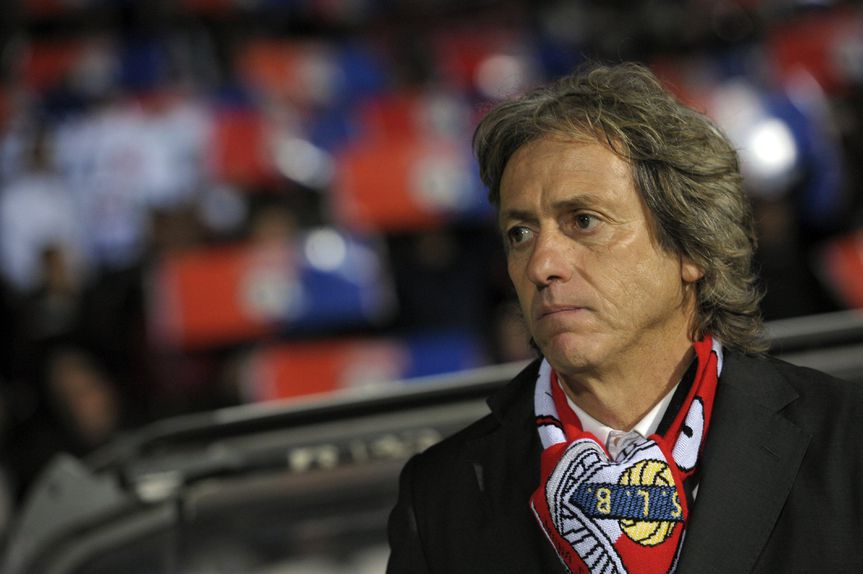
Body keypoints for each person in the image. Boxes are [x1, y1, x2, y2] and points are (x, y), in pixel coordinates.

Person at [386, 62, 863, 573]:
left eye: (583, 221)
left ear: (691, 246)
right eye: (520, 233)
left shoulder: (848, 441)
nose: (541, 265)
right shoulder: (439, 496)